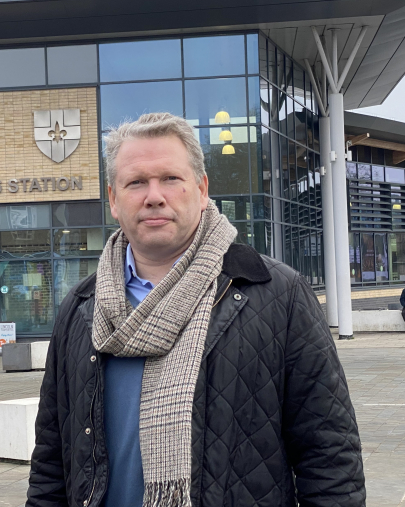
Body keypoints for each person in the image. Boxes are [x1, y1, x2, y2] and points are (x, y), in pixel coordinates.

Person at [26, 113, 365, 507]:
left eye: (170, 178)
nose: (154, 195)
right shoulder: (82, 308)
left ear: (202, 190)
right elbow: (51, 461)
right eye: (136, 182)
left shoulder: (276, 294)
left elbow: (329, 456)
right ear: (114, 200)